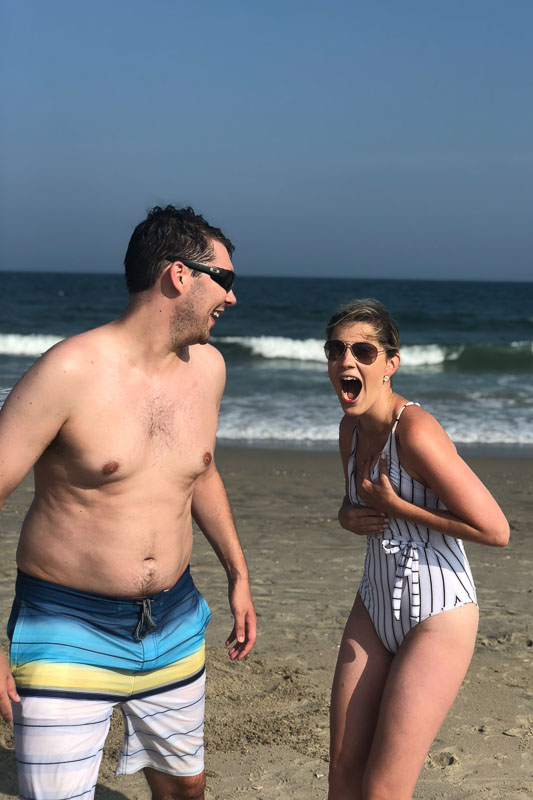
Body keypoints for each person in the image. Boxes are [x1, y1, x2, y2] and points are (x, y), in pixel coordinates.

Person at [0, 205, 256, 800]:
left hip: (175, 620)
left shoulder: (209, 369)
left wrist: (237, 573)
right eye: (224, 278)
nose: (232, 297)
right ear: (178, 275)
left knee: (186, 788)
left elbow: (199, 471)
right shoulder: (68, 371)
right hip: (66, 628)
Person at [325, 299, 509, 800]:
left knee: (384, 788)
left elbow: (496, 530)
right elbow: (354, 505)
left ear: (390, 364)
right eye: (336, 350)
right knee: (342, 770)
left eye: (363, 351)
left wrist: (400, 507)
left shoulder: (416, 431)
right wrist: (345, 515)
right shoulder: (349, 429)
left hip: (439, 614)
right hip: (373, 602)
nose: (346, 361)